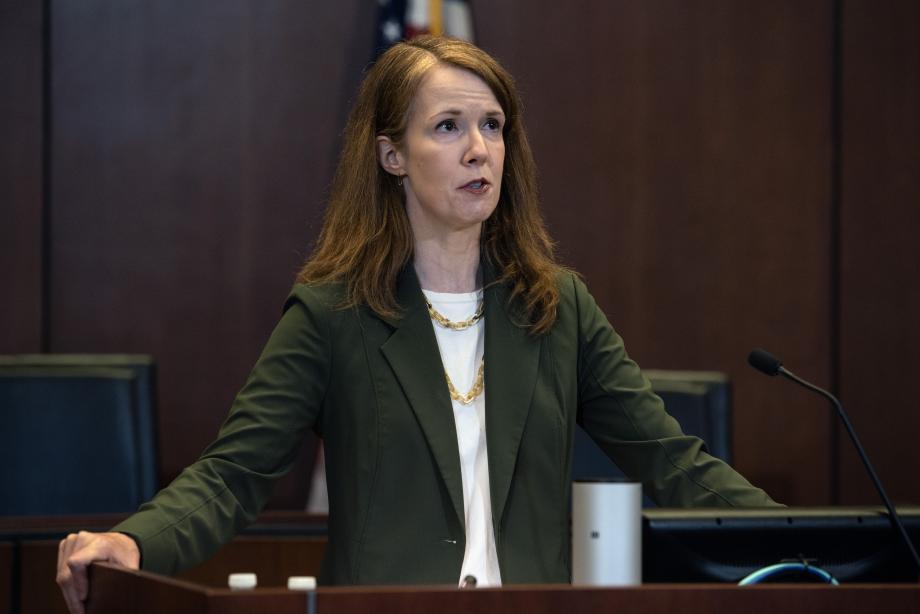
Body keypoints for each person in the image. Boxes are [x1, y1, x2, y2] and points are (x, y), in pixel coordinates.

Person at [56, 35, 778, 612]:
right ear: (391, 155)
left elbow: (671, 461)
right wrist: (133, 543)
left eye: (493, 126)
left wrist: (805, 544)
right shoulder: (332, 314)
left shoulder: (557, 309)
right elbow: (232, 477)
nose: (479, 149)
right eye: (448, 127)